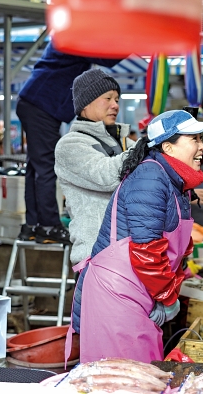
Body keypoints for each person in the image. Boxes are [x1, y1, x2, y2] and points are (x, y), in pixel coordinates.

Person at [66, 110, 203, 363]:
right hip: (117, 292)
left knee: (140, 374)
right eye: (195, 139)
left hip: (138, 287)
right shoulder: (151, 176)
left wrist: (175, 283)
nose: (202, 147)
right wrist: (167, 297)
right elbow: (146, 248)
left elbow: (172, 245)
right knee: (123, 378)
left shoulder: (172, 180)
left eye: (201, 139)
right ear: (168, 146)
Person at [16, 41, 121, 244]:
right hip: (41, 104)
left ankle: (33, 225)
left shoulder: (67, 31)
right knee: (46, 167)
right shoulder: (72, 35)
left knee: (36, 167)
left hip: (36, 103)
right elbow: (106, 58)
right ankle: (48, 226)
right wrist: (140, 39)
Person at [54, 69, 135, 265]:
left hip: (128, 252)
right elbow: (107, 175)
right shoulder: (71, 145)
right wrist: (145, 146)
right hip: (97, 255)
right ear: (85, 104)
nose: (115, 105)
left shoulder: (122, 143)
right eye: (108, 98)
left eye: (117, 99)